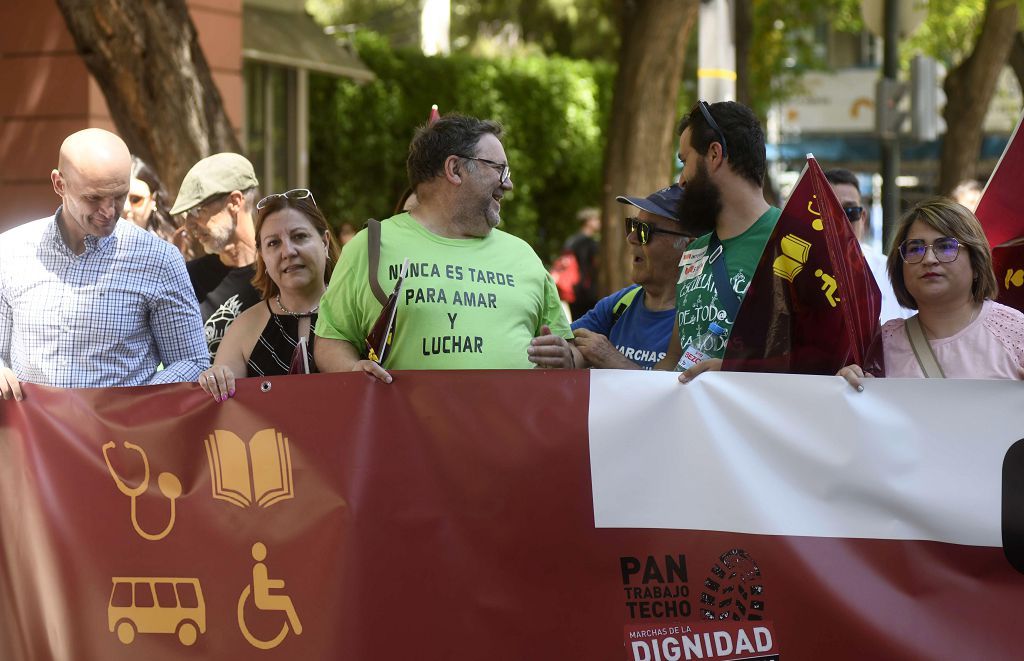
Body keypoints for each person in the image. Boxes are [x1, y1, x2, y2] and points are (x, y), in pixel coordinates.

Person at [314, 114, 573, 381]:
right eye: (499, 169)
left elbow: (568, 349)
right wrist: (353, 371)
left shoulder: (523, 255)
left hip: (512, 422)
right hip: (403, 423)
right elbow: (331, 339)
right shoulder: (369, 245)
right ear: (455, 169)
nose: (508, 184)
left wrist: (568, 358)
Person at [0, 128, 208, 400]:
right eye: (93, 198)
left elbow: (192, 361)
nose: (109, 211)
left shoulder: (159, 260)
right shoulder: (10, 253)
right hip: (35, 438)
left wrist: (134, 401)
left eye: (120, 196)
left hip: (122, 438)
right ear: (59, 184)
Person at [653, 101, 782, 381]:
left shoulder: (791, 241)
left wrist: (736, 372)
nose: (681, 181)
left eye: (684, 161)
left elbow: (818, 361)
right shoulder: (695, 250)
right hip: (690, 422)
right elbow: (675, 358)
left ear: (714, 154)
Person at [839, 198, 1024, 388]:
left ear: (976, 263)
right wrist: (845, 388)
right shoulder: (882, 345)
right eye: (915, 249)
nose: (928, 259)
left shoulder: (1015, 332)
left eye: (945, 246)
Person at [197, 189, 338, 401]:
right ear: (262, 255)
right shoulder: (244, 328)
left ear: (324, 242)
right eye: (273, 243)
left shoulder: (357, 314)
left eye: (299, 236)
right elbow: (224, 414)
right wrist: (216, 379)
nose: (288, 252)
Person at [572, 184, 695, 369]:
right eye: (633, 225)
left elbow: (678, 394)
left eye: (646, 231)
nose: (631, 237)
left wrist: (612, 359)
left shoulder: (700, 317)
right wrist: (565, 354)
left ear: (688, 247)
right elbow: (569, 342)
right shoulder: (621, 303)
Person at [170, 153, 263, 360]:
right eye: (185, 216)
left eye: (196, 211)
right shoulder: (188, 277)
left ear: (235, 202)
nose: (189, 225)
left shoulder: (279, 271)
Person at [824, 168, 910, 322]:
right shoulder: (797, 277)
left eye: (849, 212)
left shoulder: (893, 273)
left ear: (862, 218)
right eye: (829, 212)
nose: (840, 222)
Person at [122, 156, 185, 252]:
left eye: (135, 200)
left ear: (153, 200)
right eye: (118, 198)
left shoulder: (169, 249)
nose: (125, 207)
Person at [563, 207, 602, 319]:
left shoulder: (571, 240)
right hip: (586, 291)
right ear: (588, 221)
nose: (599, 222)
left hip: (572, 290)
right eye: (596, 219)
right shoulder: (589, 242)